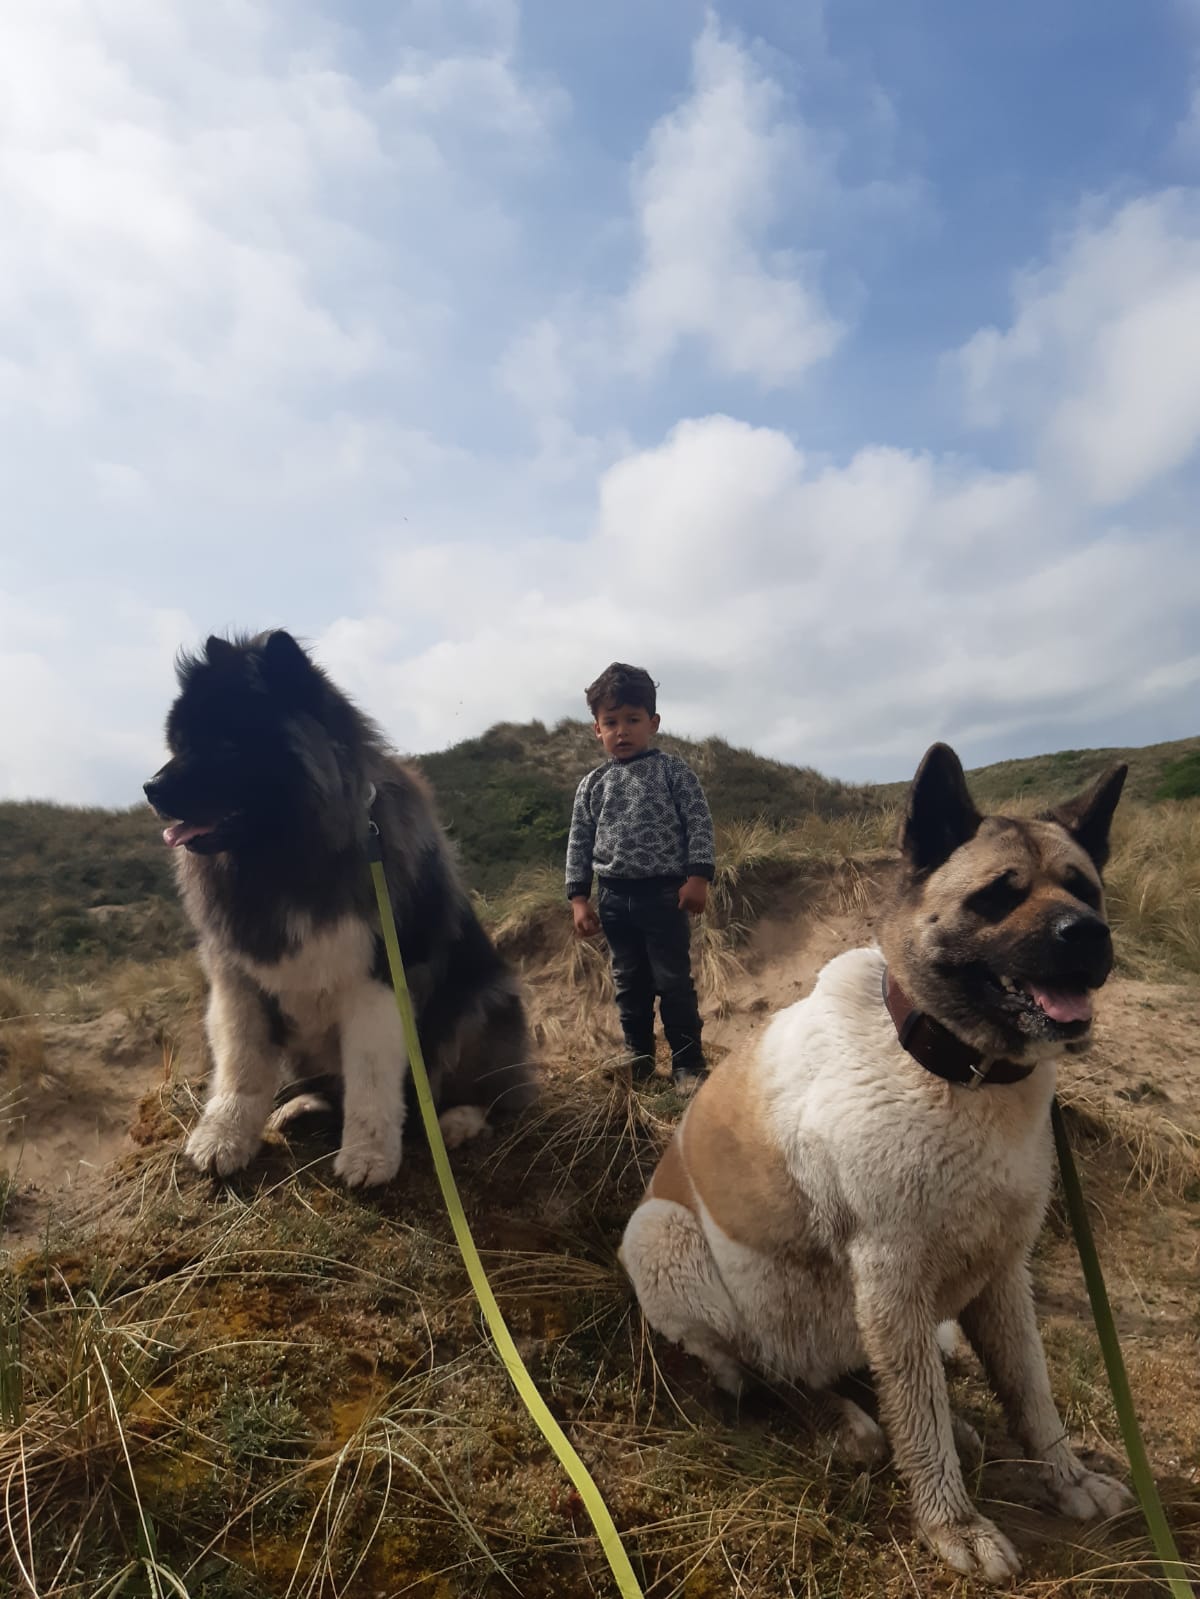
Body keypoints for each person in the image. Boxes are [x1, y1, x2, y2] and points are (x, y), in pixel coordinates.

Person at [565, 662, 715, 1092]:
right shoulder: (592, 785)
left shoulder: (673, 772)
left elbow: (699, 823)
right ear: (597, 729)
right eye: (611, 722)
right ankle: (639, 1056)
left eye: (632, 720)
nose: (622, 731)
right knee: (628, 982)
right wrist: (579, 899)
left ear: (653, 723)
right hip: (613, 899)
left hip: (665, 895)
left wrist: (698, 876)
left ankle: (688, 1064)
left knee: (673, 982)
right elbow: (579, 842)